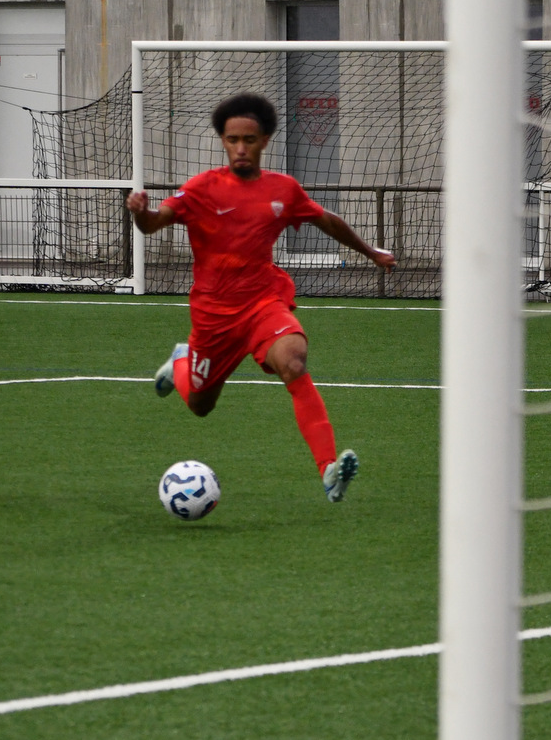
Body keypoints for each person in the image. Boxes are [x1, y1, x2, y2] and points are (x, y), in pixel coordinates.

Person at [125, 92, 395, 502]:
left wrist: (370, 252)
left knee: (293, 360)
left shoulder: (283, 190)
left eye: (249, 140)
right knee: (199, 405)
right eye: (232, 139)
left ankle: (328, 470)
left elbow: (326, 220)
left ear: (264, 141)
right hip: (214, 316)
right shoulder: (201, 189)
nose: (240, 148)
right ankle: (181, 359)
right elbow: (153, 223)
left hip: (262, 303)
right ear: (222, 140)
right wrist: (139, 212)